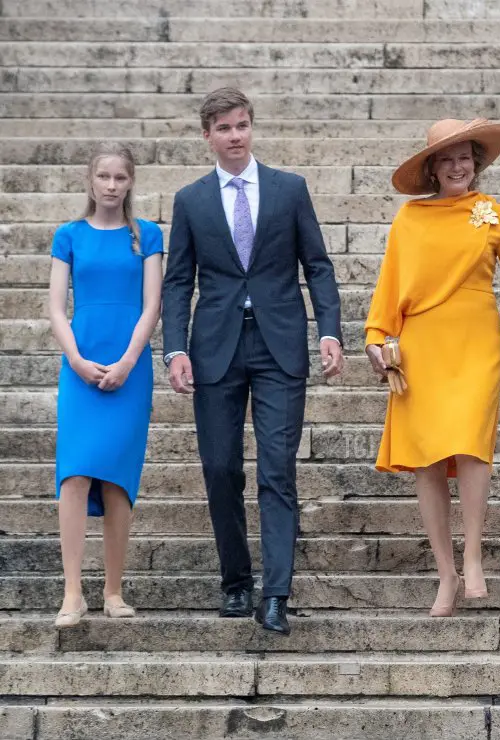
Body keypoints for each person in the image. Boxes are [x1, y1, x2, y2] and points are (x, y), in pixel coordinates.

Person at [161, 87, 344, 635]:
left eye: (242, 125)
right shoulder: (190, 200)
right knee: (220, 470)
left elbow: (319, 265)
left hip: (279, 344)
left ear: (251, 127)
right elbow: (177, 282)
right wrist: (174, 348)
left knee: (276, 470)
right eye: (224, 129)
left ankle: (277, 593)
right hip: (214, 346)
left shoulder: (289, 190)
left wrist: (330, 331)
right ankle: (236, 580)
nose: (235, 136)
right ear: (207, 136)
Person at [364, 118, 500, 617]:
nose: (458, 166)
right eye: (448, 159)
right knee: (428, 459)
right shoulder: (409, 219)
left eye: (466, 157)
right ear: (432, 168)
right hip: (421, 345)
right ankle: (446, 574)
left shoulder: (493, 213)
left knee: (472, 442)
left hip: (477, 343)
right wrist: (375, 338)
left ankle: (473, 555)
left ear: (477, 163)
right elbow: (389, 286)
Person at [47, 143, 163, 628]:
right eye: (104, 177)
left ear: (131, 181)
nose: (112, 185)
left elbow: (152, 306)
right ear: (90, 181)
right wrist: (75, 358)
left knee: (117, 480)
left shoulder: (148, 236)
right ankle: (73, 593)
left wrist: (128, 361)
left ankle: (113, 590)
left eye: (120, 177)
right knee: (73, 475)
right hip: (80, 367)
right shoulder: (68, 235)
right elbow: (55, 306)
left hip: (130, 368)